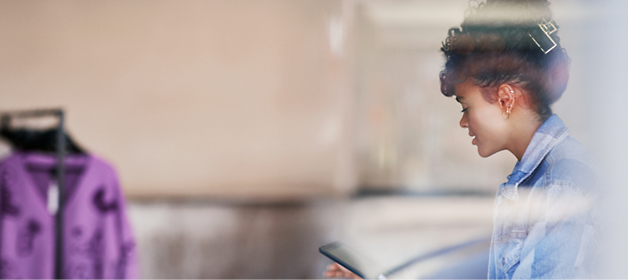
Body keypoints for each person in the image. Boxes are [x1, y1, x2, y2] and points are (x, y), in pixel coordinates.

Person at [325, 0, 600, 279]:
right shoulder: (536, 179)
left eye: (466, 107)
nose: (463, 121)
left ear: (505, 99)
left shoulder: (561, 183)